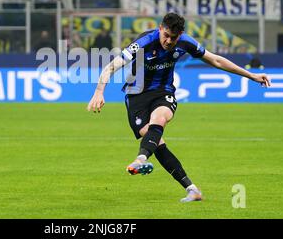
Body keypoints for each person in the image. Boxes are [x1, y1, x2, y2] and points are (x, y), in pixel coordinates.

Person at [87, 13, 271, 202]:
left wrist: (252, 76)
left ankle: (140, 160)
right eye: (165, 35)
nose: (168, 41)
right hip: (136, 97)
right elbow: (111, 66)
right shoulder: (144, 42)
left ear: (180, 34)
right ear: (160, 28)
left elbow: (215, 60)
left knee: (159, 119)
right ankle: (192, 190)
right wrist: (99, 92)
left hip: (163, 92)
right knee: (156, 143)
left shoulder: (185, 42)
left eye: (173, 38)